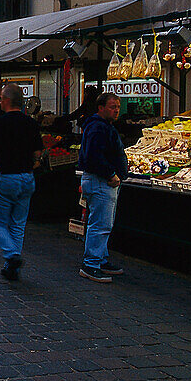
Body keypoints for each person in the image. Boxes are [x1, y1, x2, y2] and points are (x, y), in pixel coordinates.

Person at [0, 83, 44, 281]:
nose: (0, 101)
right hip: (27, 178)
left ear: (7, 100)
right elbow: (38, 152)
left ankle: (11, 255)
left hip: (6, 177)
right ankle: (12, 268)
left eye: (1, 98)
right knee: (18, 224)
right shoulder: (31, 123)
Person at [78, 92, 129, 283]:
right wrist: (111, 174)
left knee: (104, 223)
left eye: (117, 107)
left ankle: (100, 259)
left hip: (102, 181)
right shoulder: (98, 128)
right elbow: (93, 156)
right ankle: (91, 264)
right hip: (101, 181)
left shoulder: (102, 126)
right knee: (100, 224)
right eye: (112, 107)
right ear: (101, 108)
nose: (116, 110)